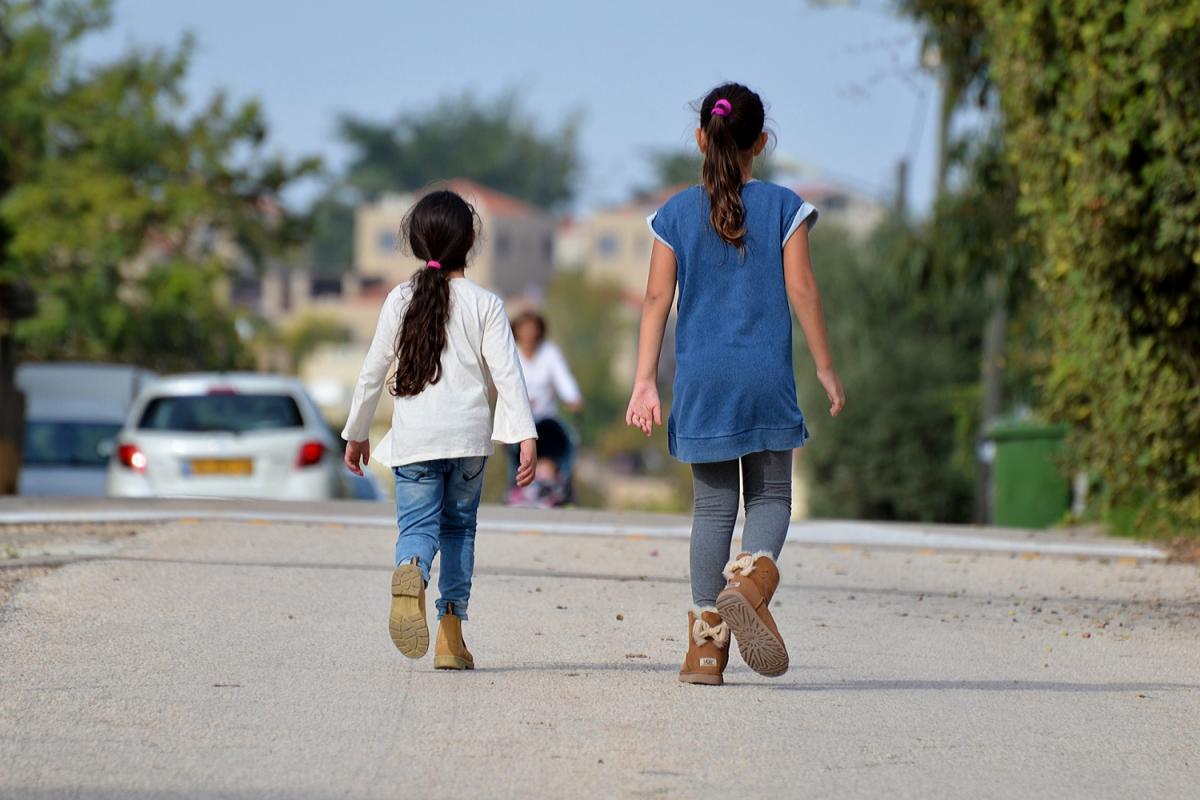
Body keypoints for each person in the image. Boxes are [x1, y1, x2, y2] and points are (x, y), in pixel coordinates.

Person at [625, 83, 845, 686]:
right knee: (771, 498)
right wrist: (825, 367)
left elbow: (654, 299)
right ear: (762, 145)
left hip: (703, 383)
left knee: (713, 508)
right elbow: (803, 291)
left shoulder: (673, 214)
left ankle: (705, 649)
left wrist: (645, 380)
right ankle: (752, 579)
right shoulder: (782, 205)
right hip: (765, 378)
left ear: (701, 139)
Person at [342, 189, 538, 670]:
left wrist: (356, 431)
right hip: (468, 441)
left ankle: (410, 568)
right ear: (470, 242)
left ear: (414, 241)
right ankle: (451, 636)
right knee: (458, 530)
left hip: (414, 442)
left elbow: (372, 370)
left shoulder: (399, 299)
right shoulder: (486, 304)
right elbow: (508, 374)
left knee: (417, 528)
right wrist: (525, 434)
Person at [506, 310, 583, 505]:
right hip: (518, 419)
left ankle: (554, 487)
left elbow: (562, 377)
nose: (529, 334)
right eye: (524, 329)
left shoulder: (550, 352)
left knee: (557, 445)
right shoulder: (509, 351)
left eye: (533, 329)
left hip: (546, 421)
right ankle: (518, 488)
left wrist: (572, 397)